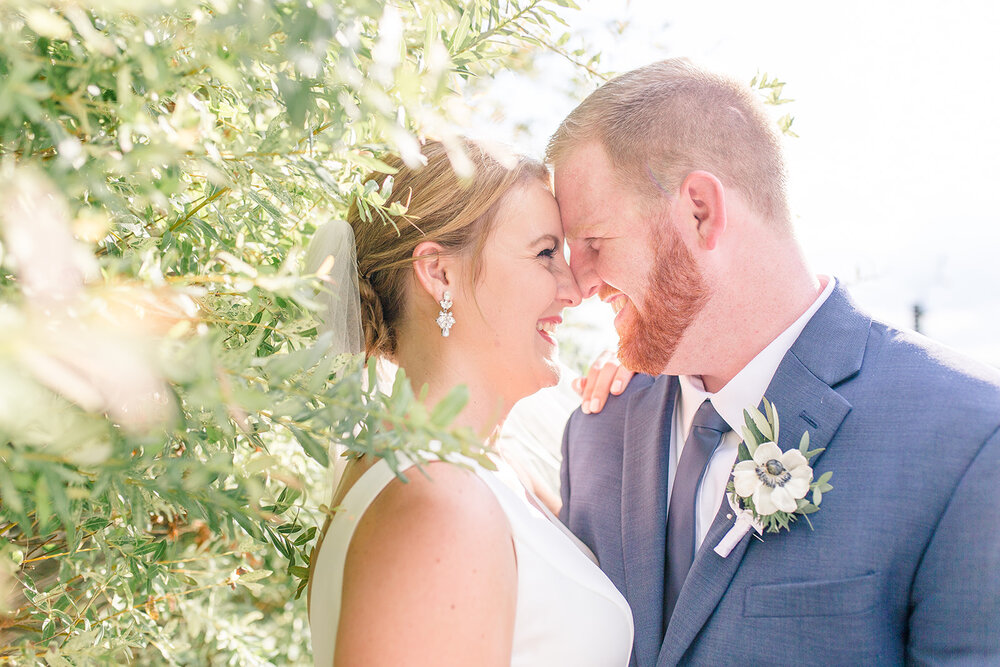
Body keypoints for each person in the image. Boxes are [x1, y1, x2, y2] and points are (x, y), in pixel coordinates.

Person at [548, 58, 1000, 666]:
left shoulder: (969, 437)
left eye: (593, 243)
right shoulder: (597, 429)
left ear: (699, 210)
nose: (577, 284)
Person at [307, 139, 634, 666]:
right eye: (545, 253)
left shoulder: (479, 469)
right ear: (440, 273)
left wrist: (647, 377)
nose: (574, 290)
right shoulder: (440, 503)